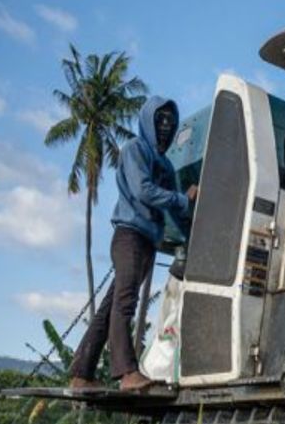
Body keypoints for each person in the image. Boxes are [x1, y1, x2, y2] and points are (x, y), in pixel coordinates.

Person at [70, 96, 196, 393]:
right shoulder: (134, 150)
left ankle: (80, 373)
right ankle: (127, 372)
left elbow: (176, 210)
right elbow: (144, 191)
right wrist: (183, 198)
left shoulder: (164, 164)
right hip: (129, 236)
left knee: (110, 307)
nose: (165, 127)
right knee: (125, 303)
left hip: (146, 242)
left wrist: (194, 235)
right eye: (160, 120)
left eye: (170, 121)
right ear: (148, 121)